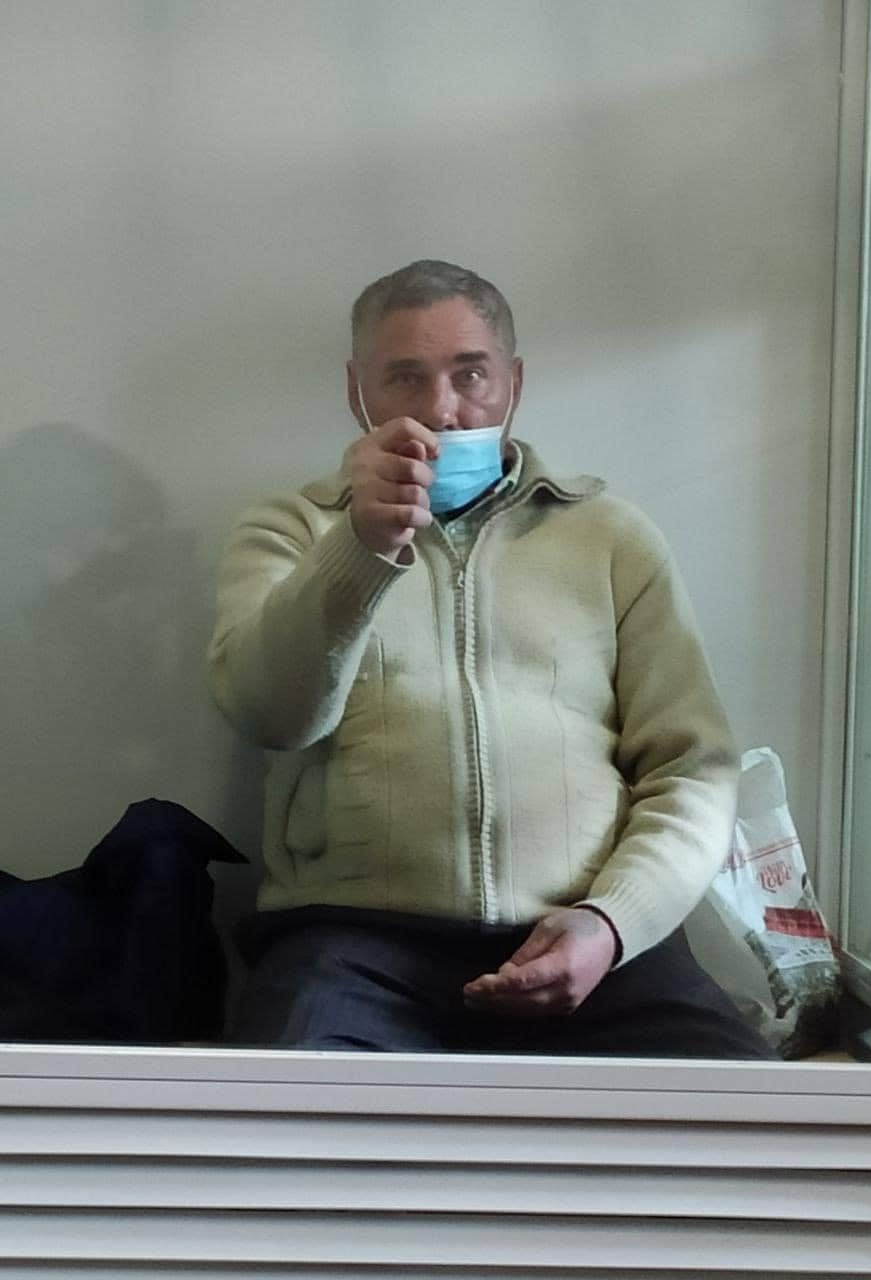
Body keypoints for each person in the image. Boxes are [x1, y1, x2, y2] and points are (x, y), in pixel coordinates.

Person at [209, 259, 773, 1058]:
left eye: (470, 374)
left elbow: (694, 770)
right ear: (357, 392)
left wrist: (613, 922)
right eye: (405, 377)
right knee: (291, 1113)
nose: (442, 409)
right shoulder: (291, 530)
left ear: (514, 384)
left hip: (591, 942)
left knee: (745, 1106)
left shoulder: (612, 538)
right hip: (353, 944)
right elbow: (269, 713)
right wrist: (360, 546)